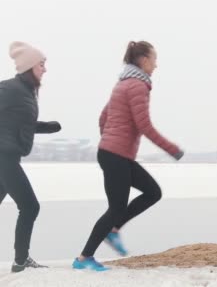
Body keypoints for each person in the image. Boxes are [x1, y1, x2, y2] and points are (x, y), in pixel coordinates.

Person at [73, 41, 184, 271]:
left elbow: (103, 118)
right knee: (115, 207)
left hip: (114, 154)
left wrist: (109, 140)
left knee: (152, 192)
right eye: (154, 59)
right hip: (116, 155)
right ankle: (84, 258)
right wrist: (171, 148)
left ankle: (114, 230)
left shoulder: (122, 84)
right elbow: (144, 125)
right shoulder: (137, 86)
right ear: (143, 60)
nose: (156, 65)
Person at [0, 41, 62, 273]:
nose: (45, 69)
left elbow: (20, 123)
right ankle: (21, 261)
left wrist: (47, 127)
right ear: (29, 67)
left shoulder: (25, 91)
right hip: (4, 158)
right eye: (41, 64)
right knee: (30, 207)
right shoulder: (10, 89)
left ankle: (21, 259)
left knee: (27, 207)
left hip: (8, 158)